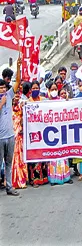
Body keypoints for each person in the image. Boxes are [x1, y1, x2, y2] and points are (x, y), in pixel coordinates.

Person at [0, 59, 21, 196]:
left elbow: (18, 82)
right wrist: (1, 104)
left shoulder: (9, 95)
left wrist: (18, 67)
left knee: (8, 163)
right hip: (0, 138)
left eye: (3, 88)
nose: (3, 90)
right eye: (0, 88)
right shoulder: (3, 99)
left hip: (10, 135)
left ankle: (9, 187)